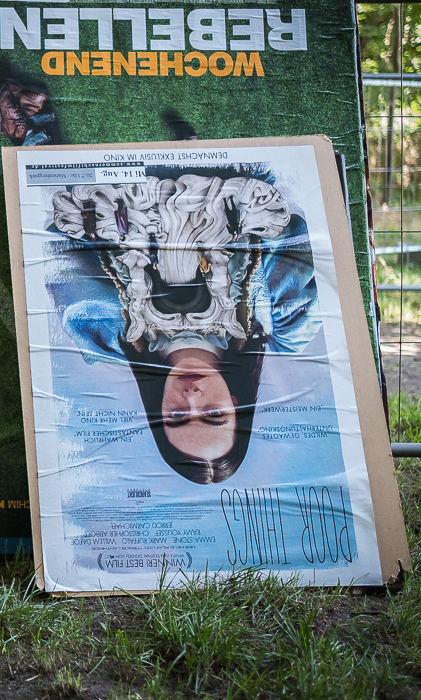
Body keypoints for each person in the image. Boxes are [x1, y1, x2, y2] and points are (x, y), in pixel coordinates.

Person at [49, 170, 319, 484]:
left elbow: (57, 240)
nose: (191, 397)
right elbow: (292, 228)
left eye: (177, 416)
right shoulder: (288, 328)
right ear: (235, 404)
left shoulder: (103, 337)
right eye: (213, 414)